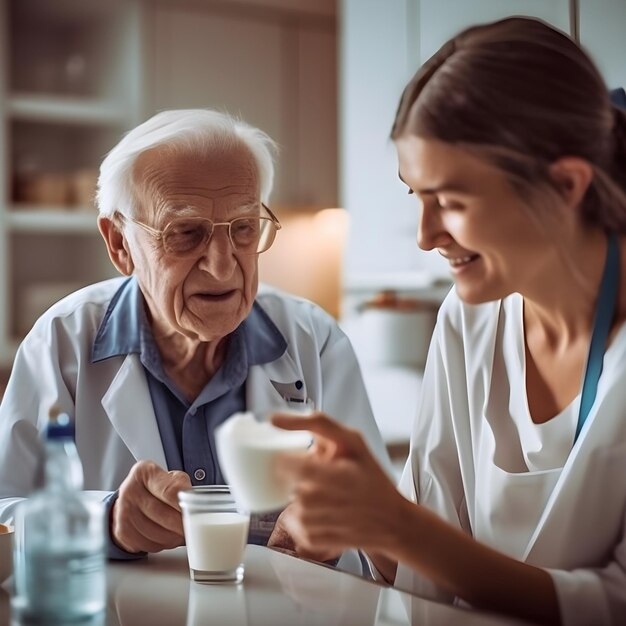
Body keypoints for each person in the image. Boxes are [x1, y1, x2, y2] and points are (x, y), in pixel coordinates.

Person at [269, 17, 626, 626]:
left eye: (452, 202)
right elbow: (428, 569)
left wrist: (398, 526)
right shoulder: (469, 318)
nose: (426, 235)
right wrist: (360, 526)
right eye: (417, 196)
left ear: (566, 184)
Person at [0, 109, 390, 565]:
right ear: (120, 244)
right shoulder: (63, 340)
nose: (223, 266)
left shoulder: (314, 339)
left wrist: (338, 540)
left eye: (244, 228)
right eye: (185, 233)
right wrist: (103, 523)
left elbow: (387, 539)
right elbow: (3, 515)